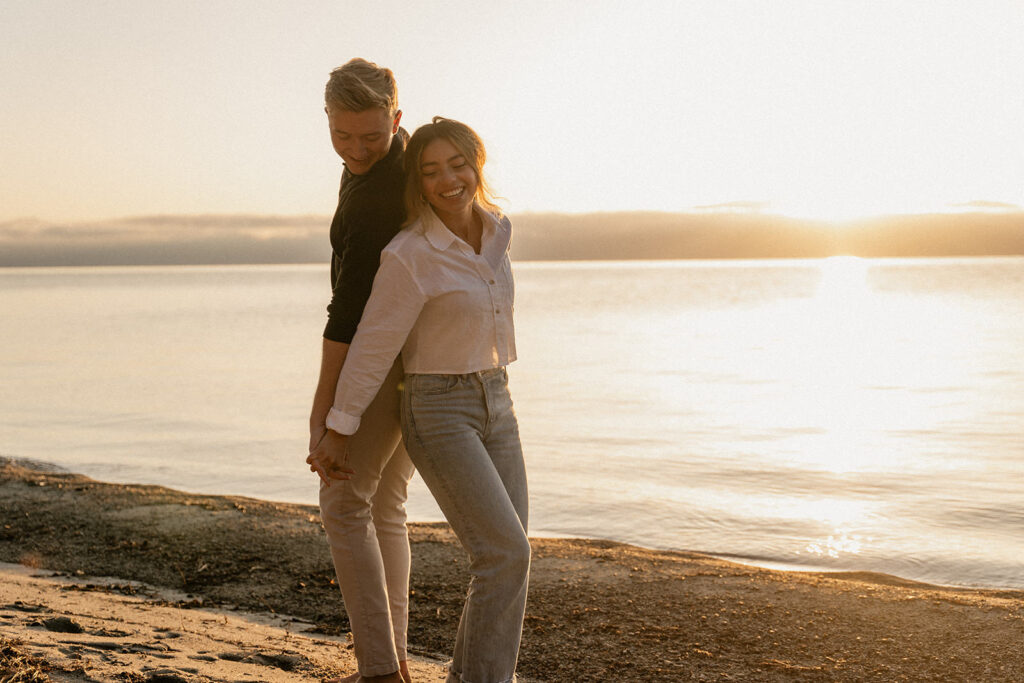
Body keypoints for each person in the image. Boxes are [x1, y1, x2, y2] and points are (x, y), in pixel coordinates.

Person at [308, 117, 530, 683]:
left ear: (477, 163)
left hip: (497, 400)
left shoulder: (498, 230)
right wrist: (338, 424)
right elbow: (373, 347)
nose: (447, 179)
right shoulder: (411, 253)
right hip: (437, 407)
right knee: (504, 555)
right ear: (419, 183)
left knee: (510, 561)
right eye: (431, 171)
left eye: (457, 164)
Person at [308, 58, 415, 683]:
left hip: (381, 359)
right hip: (404, 359)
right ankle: (391, 661)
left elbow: (347, 310)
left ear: (396, 120)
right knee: (383, 507)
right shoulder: (379, 169)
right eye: (341, 136)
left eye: (371, 137)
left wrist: (322, 412)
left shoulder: (380, 190)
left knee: (343, 499)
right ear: (327, 120)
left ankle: (378, 671)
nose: (355, 150)